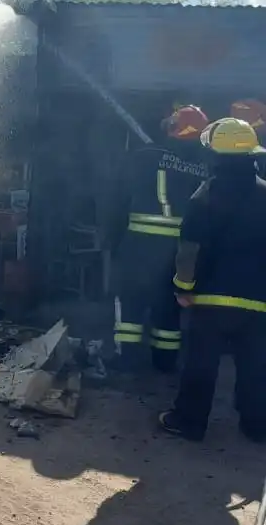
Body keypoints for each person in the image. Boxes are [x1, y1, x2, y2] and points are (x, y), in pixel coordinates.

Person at [160, 117, 266, 442]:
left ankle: (189, 422)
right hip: (258, 301)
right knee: (256, 368)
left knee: (200, 366)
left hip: (210, 300)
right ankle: (257, 427)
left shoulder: (205, 195)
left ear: (215, 155)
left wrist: (183, 287)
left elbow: (190, 249)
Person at [110, 105, 210, 373]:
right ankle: (164, 365)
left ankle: (126, 363)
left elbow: (117, 201)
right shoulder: (203, 167)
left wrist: (112, 240)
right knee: (169, 308)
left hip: (139, 246)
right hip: (180, 253)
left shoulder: (143, 157)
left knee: (131, 306)